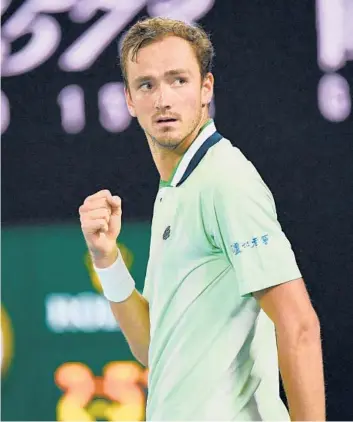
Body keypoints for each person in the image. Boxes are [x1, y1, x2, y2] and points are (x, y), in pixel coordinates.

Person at [79, 17, 325, 421]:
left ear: (205, 89)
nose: (163, 99)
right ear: (129, 100)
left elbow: (298, 326)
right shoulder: (177, 188)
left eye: (178, 80)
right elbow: (151, 348)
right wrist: (107, 259)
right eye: (147, 85)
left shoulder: (226, 179)